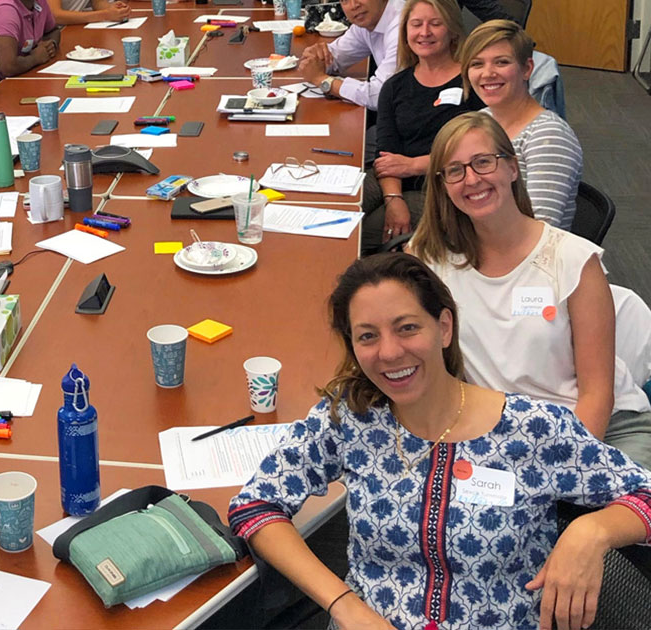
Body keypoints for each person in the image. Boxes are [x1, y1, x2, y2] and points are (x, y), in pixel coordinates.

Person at [228, 252, 651, 630]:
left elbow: (645, 496)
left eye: (407, 328)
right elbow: (255, 505)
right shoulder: (350, 416)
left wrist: (592, 531)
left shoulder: (534, 429)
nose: (390, 353)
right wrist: (343, 604)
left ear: (444, 327)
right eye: (367, 336)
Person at [410, 111, 651, 468]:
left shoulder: (574, 261)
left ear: (512, 168)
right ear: (443, 185)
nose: (472, 179)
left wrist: (554, 474)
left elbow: (597, 396)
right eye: (455, 171)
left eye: (483, 162)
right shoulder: (432, 262)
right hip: (501, 434)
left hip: (596, 430)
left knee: (610, 523)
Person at [361, 0, 484, 252]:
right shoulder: (394, 86)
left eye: (435, 24)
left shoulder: (472, 82)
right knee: (336, 205)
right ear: (405, 32)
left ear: (452, 31)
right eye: (416, 24)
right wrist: (393, 199)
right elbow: (386, 154)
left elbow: (479, 154)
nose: (424, 32)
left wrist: (412, 165)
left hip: (442, 185)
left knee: (360, 233)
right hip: (394, 179)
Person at [461, 20, 582, 228]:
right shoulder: (482, 120)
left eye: (501, 62)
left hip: (520, 254)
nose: (488, 73)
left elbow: (537, 231)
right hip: (477, 238)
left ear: (526, 69)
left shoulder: (549, 136)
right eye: (477, 64)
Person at [299, 0, 404, 110]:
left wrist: (323, 81)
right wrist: (316, 57)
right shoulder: (367, 21)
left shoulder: (403, 25)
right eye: (345, 1)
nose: (354, 6)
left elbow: (381, 95)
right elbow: (333, 58)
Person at [0, 0, 60, 80]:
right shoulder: (5, 11)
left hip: (27, 74)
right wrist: (36, 58)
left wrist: (51, 45)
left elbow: (53, 30)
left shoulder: (39, 2)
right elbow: (7, 67)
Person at [48, 0, 129, 26]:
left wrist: (116, 9)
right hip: (57, 33)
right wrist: (105, 14)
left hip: (77, 25)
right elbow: (55, 16)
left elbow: (98, 3)